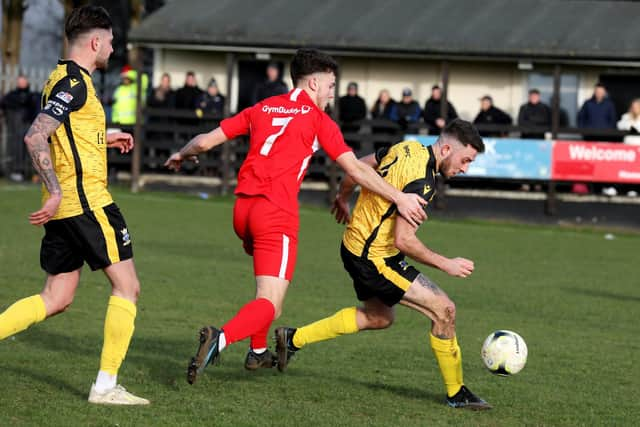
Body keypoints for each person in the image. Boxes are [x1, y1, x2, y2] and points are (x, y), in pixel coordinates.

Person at [164, 48, 428, 385]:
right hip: (275, 213)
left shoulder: (262, 107)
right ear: (314, 83)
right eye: (331, 86)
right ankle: (220, 339)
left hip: (242, 210)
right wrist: (399, 197)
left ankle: (258, 352)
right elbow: (355, 168)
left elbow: (205, 142)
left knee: (266, 291)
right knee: (270, 304)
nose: (333, 94)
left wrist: (181, 154)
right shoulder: (319, 120)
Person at [274, 119, 491, 410]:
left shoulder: (406, 147)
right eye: (465, 160)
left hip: (354, 246)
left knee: (379, 318)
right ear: (448, 148)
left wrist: (342, 196)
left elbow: (358, 166)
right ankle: (457, 392)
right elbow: (404, 240)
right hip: (374, 257)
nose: (465, 168)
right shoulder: (423, 182)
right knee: (444, 309)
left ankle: (292, 339)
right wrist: (446, 264)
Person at [0, 6, 148, 405]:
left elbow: (68, 128)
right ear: (96, 42)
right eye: (112, 42)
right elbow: (35, 137)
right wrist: (53, 190)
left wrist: (106, 135)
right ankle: (104, 386)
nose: (114, 49)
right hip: (87, 204)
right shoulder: (76, 83)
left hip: (69, 209)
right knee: (127, 288)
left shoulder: (61, 78)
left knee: (56, 298)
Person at [0, 74, 40, 181]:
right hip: (16, 129)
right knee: (16, 149)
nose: (21, 83)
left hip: (29, 127)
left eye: (23, 80)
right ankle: (17, 172)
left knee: (31, 150)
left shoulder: (32, 96)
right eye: (20, 81)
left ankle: (33, 173)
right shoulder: (11, 96)